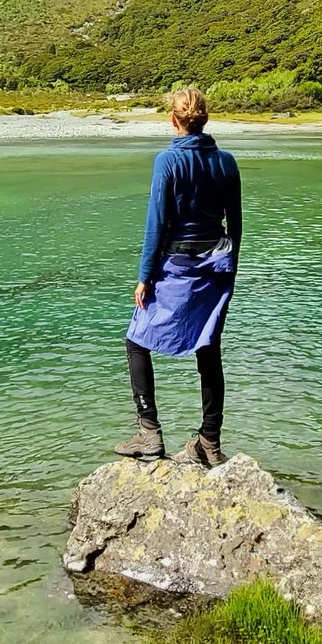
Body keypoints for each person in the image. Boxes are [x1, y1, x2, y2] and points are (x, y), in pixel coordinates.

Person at [114, 85, 240, 466]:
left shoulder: (167, 161)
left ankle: (149, 433)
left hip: (176, 266)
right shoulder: (227, 161)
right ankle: (210, 443)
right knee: (208, 348)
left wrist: (144, 276)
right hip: (216, 268)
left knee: (136, 341)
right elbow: (235, 225)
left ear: (173, 119)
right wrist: (230, 272)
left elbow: (156, 225)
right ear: (204, 118)